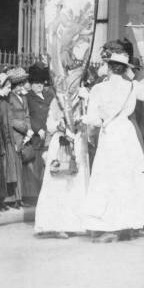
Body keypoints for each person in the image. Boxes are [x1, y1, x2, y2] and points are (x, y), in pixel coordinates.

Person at [82, 50, 144, 242]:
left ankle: (107, 224)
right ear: (125, 69)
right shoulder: (132, 86)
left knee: (107, 178)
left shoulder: (98, 89)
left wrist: (83, 117)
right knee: (128, 178)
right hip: (126, 134)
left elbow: (94, 120)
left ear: (109, 68)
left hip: (109, 134)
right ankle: (127, 223)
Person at [34, 97, 90, 238]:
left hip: (77, 143)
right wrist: (59, 125)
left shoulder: (83, 98)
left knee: (75, 183)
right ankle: (57, 224)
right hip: (61, 142)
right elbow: (50, 124)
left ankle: (76, 224)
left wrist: (82, 124)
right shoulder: (57, 100)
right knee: (59, 183)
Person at [25, 63, 54, 202]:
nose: (39, 85)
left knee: (48, 165)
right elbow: (28, 116)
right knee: (37, 167)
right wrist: (37, 129)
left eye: (41, 82)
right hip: (38, 137)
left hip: (50, 135)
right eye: (36, 83)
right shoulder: (28, 98)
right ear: (31, 84)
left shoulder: (48, 96)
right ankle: (36, 197)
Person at [6, 67, 34, 207]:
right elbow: (10, 119)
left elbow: (27, 114)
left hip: (24, 136)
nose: (22, 86)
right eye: (20, 84)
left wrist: (29, 130)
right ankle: (15, 199)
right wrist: (24, 128)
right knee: (15, 167)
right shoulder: (9, 98)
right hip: (15, 135)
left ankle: (20, 198)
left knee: (22, 167)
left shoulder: (23, 97)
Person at [0, 74, 13, 210]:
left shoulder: (4, 101)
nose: (10, 90)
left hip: (1, 141)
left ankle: (1, 200)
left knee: (1, 171)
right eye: (8, 87)